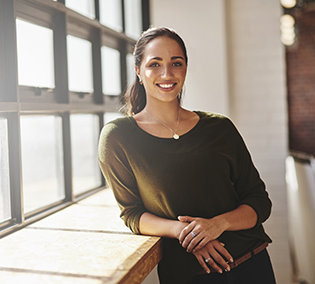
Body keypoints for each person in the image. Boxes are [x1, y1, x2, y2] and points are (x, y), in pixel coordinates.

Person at [98, 27, 276, 284]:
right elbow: (133, 214)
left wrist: (218, 224)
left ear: (185, 69)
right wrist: (187, 233)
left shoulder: (220, 127)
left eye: (176, 63)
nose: (167, 74)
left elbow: (259, 201)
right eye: (155, 64)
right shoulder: (118, 137)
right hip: (189, 275)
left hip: (253, 263)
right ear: (138, 70)